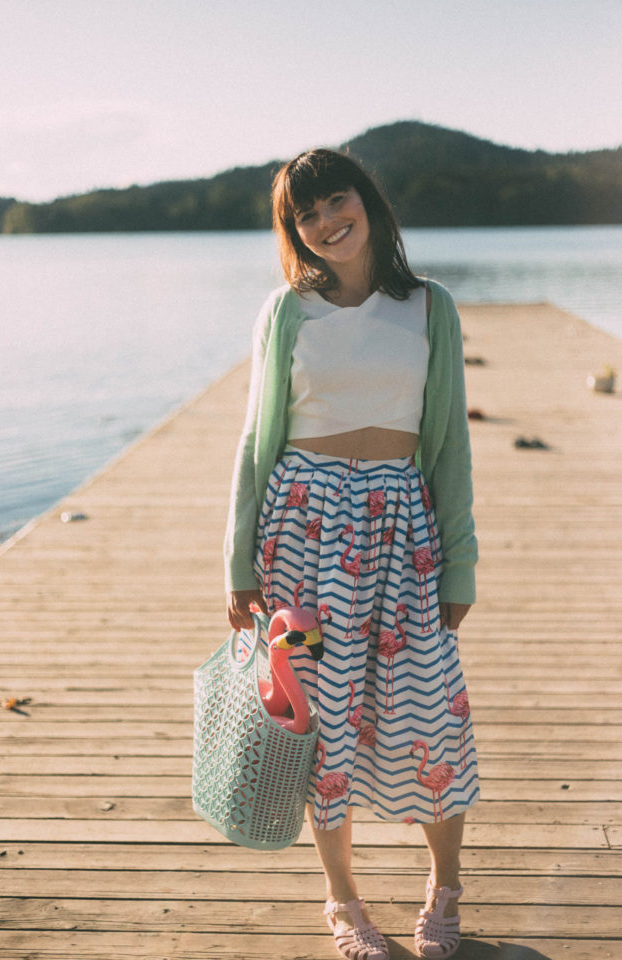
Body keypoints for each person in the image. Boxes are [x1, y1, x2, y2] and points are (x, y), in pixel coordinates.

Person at [224, 148, 480, 960]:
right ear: (293, 229)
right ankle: (344, 902)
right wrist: (238, 564)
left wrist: (461, 559)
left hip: (402, 526)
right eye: (307, 214)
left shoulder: (431, 307)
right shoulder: (286, 312)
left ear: (367, 202)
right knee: (317, 724)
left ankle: (445, 886)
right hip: (300, 530)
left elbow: (450, 446)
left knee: (431, 714)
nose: (326, 223)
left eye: (338, 202)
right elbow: (254, 442)